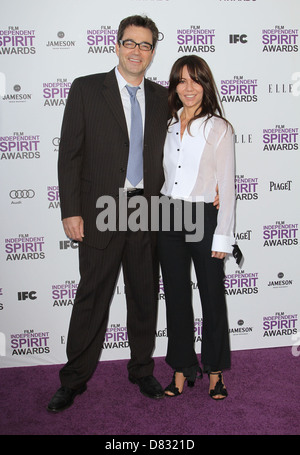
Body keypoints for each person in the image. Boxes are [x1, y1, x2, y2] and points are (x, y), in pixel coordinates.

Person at [47, 15, 169, 412]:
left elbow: (177, 154)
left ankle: (141, 369)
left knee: (144, 295)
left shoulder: (161, 97)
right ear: (116, 46)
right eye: (130, 43)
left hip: (145, 209)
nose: (136, 51)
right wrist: (71, 211)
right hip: (99, 210)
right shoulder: (85, 89)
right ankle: (73, 379)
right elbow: (70, 155)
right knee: (92, 295)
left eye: (145, 45)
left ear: (152, 52)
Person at [158, 55, 236, 400]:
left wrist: (223, 235)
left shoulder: (218, 127)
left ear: (206, 84)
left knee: (212, 297)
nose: (188, 88)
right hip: (168, 216)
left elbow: (227, 187)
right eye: (181, 80)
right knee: (175, 297)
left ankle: (215, 371)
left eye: (195, 80)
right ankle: (181, 367)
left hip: (204, 217)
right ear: (174, 86)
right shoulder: (168, 123)